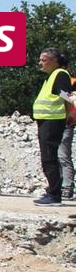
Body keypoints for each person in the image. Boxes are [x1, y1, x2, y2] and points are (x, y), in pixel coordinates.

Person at [32, 47, 73, 206]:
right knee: (48, 157)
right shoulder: (51, 77)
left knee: (49, 158)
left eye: (44, 60)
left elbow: (65, 94)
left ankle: (54, 195)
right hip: (47, 120)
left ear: (54, 61)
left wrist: (71, 107)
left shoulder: (60, 74)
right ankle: (53, 192)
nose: (40, 63)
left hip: (52, 121)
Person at [59, 65, 76, 201]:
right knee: (55, 157)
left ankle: (67, 187)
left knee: (63, 156)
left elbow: (71, 99)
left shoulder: (72, 82)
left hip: (66, 123)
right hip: (55, 122)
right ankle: (57, 186)